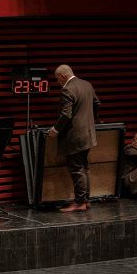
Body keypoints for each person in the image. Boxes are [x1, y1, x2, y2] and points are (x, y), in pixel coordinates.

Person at [54, 64, 96, 211]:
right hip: (88, 135)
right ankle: (86, 200)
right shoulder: (87, 84)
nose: (58, 82)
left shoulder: (68, 89)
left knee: (77, 169)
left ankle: (79, 202)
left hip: (75, 137)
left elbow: (66, 115)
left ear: (63, 76)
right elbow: (97, 103)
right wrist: (90, 122)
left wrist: (56, 129)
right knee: (84, 168)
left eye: (57, 79)